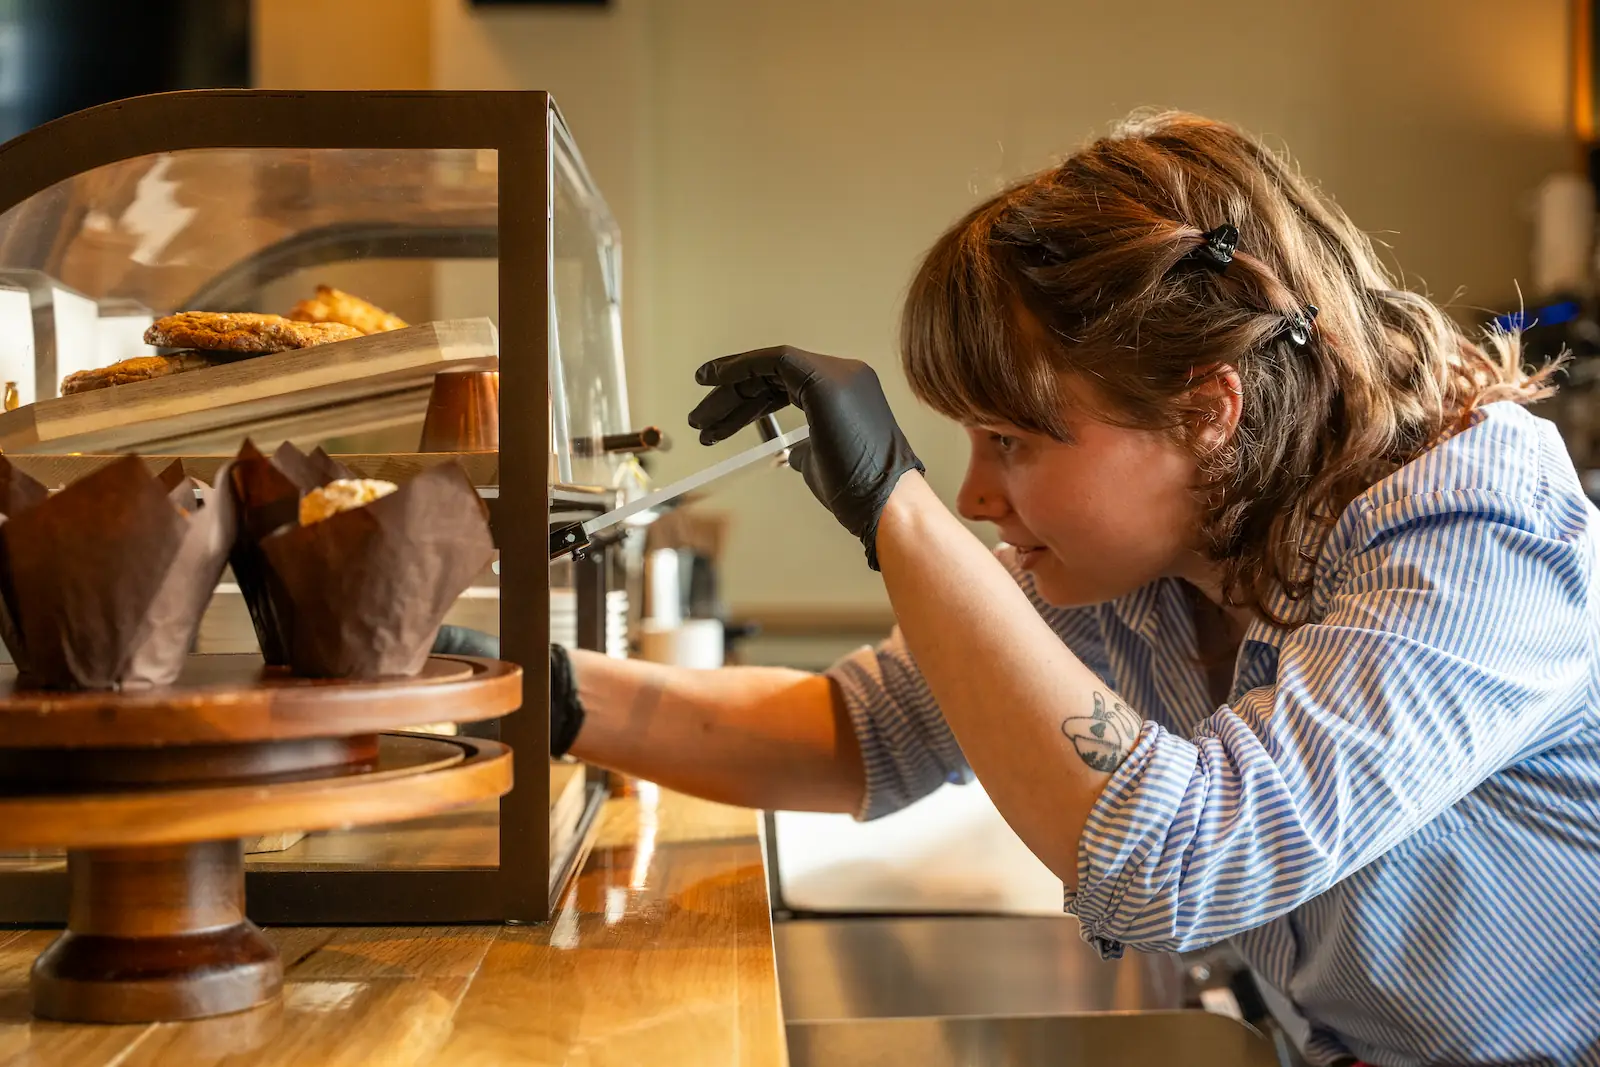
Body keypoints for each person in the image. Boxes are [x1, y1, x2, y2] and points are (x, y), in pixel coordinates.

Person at [540, 112, 1600, 1065]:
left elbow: (1181, 860)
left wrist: (894, 508)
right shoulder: (1146, 570)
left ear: (1205, 408)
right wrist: (532, 690)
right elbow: (867, 728)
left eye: (1009, 439)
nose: (973, 492)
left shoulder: (1474, 534)